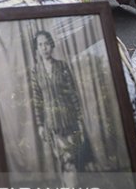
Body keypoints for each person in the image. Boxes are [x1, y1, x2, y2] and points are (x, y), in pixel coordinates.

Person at [29, 30, 91, 179]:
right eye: (40, 45)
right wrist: (40, 125)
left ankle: (77, 188)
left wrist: (79, 119)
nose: (44, 48)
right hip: (52, 123)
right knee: (63, 159)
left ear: (52, 45)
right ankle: (69, 188)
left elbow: (72, 93)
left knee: (74, 156)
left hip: (69, 118)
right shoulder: (36, 71)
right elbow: (37, 100)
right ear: (37, 49)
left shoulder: (62, 66)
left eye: (46, 44)